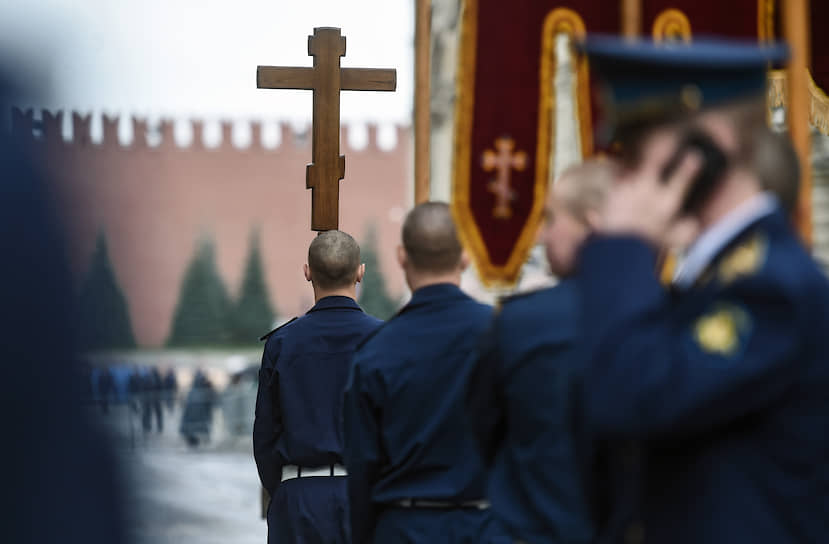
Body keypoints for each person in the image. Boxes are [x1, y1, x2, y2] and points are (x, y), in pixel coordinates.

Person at [575, 35, 829, 542]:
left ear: (711, 142)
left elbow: (627, 395)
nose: (623, 172)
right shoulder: (716, 273)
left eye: (640, 148)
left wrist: (625, 245)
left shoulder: (771, 286)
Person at [466, 160, 619, 543]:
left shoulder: (521, 322)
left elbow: (482, 427)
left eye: (552, 220)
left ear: (593, 223)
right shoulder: (664, 316)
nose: (540, 236)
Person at [342, 202, 508, 544]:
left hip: (404, 527)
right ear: (464, 257)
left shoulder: (375, 352)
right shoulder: (504, 335)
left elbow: (362, 470)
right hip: (488, 525)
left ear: (402, 257)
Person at [253, 230, 382, 544]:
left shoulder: (282, 343)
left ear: (308, 272)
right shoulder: (387, 339)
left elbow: (266, 433)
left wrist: (281, 487)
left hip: (299, 497)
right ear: (360, 272)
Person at [179, 368, 217, 447]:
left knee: (194, 438)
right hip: (197, 420)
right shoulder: (202, 392)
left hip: (193, 421)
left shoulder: (193, 392)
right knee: (196, 438)